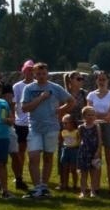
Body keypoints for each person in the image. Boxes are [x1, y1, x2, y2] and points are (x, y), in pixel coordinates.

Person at [16, 62, 70, 199]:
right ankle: (37, 187)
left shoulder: (55, 88)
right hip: (34, 127)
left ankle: (44, 186)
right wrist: (41, 98)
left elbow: (71, 101)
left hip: (51, 127)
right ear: (34, 74)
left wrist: (60, 111)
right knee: (33, 156)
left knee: (48, 157)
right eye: (38, 74)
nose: (41, 76)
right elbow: (25, 108)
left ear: (47, 74)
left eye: (44, 73)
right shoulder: (29, 89)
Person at [88, 70, 110, 195]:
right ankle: (95, 186)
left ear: (108, 81)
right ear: (96, 81)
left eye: (104, 79)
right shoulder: (91, 95)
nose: (101, 82)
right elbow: (89, 113)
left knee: (109, 158)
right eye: (99, 79)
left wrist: (97, 114)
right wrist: (98, 115)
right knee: (96, 158)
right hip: (94, 128)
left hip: (108, 128)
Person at [9, 60, 35, 192]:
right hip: (21, 122)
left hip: (34, 122)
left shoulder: (38, 85)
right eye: (28, 70)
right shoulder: (17, 86)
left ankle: (34, 175)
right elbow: (14, 103)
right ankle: (19, 175)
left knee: (33, 151)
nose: (30, 72)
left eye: (32, 70)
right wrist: (14, 118)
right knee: (20, 150)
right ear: (23, 71)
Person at [76, 106, 102, 198]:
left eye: (92, 115)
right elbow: (79, 140)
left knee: (93, 173)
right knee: (83, 173)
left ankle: (93, 191)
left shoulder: (96, 127)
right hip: (83, 152)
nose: (90, 117)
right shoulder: (80, 127)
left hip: (94, 152)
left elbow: (99, 140)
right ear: (84, 116)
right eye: (88, 115)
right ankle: (83, 191)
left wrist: (98, 151)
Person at [57, 113, 80, 191]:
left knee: (73, 169)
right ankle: (65, 184)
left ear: (72, 123)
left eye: (66, 123)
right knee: (65, 169)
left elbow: (80, 141)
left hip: (74, 150)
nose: (64, 125)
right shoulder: (63, 131)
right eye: (63, 123)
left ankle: (75, 185)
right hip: (66, 150)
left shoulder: (77, 131)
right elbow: (60, 140)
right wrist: (62, 145)